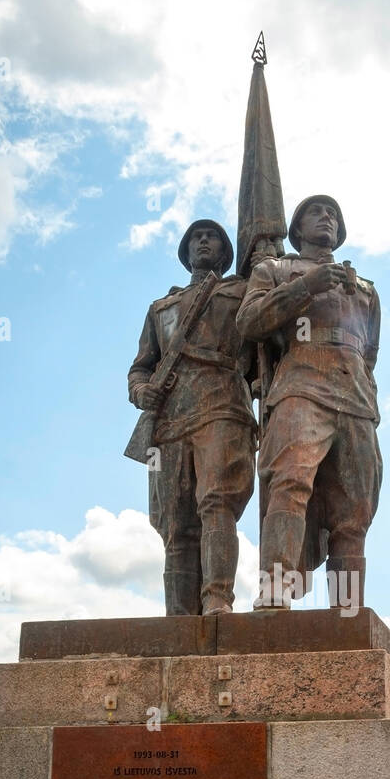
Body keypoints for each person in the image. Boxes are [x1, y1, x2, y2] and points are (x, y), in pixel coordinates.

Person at [236, 194, 381, 610]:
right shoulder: (276, 269)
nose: (327, 218)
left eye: (333, 213)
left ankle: (347, 609)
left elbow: (369, 351)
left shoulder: (366, 288)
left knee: (354, 511)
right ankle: (275, 592)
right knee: (290, 483)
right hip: (300, 385)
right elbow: (249, 322)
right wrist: (304, 287)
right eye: (316, 212)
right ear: (297, 228)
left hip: (355, 397)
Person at [126, 220, 257, 615]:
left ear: (225, 250)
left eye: (212, 236)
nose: (203, 241)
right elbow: (140, 367)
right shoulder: (160, 308)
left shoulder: (242, 293)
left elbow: (265, 347)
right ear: (185, 252)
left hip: (223, 406)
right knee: (176, 524)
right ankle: (179, 617)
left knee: (217, 502)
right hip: (169, 419)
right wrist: (140, 391)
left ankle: (217, 600)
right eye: (196, 237)